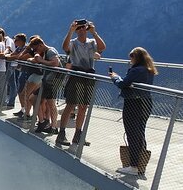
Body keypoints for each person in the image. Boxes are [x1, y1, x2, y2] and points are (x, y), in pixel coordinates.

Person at [56, 19, 106, 147]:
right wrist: (70, 31)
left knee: (83, 106)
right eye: (79, 28)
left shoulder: (92, 42)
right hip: (76, 73)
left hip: (88, 74)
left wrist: (94, 32)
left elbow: (102, 48)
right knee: (70, 105)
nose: (81, 29)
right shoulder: (73, 42)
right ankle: (61, 134)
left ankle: (78, 135)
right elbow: (65, 47)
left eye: (83, 27)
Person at [110, 47, 157, 175]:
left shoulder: (136, 70)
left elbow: (123, 84)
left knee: (132, 133)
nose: (130, 60)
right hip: (146, 102)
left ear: (136, 58)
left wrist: (115, 77)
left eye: (131, 57)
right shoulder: (149, 70)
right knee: (140, 132)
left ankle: (133, 166)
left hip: (133, 103)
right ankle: (141, 164)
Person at [27, 36, 63, 134]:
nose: (36, 51)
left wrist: (41, 61)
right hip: (47, 80)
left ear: (41, 45)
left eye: (36, 48)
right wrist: (32, 59)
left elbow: (55, 63)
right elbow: (37, 59)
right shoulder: (44, 52)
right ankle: (43, 121)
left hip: (53, 80)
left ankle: (53, 127)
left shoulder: (50, 51)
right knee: (33, 99)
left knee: (51, 103)